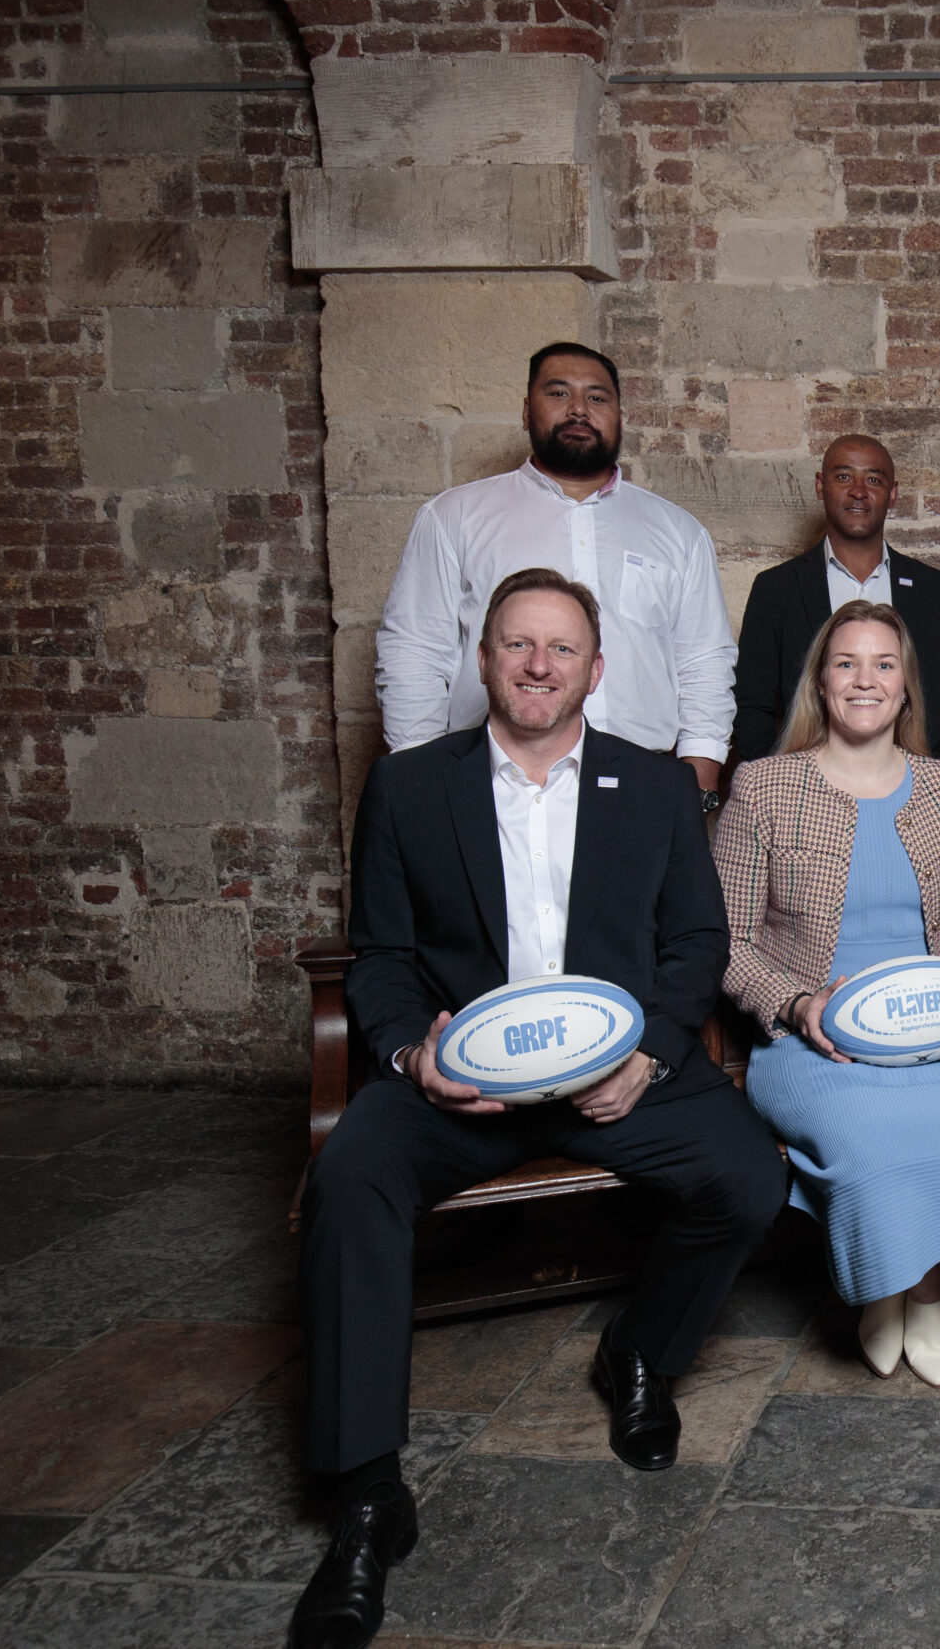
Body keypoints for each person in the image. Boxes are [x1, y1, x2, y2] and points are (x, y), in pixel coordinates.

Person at [294, 568, 786, 1649]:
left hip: (612, 1074)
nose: (537, 664)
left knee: (752, 1181)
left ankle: (642, 1354)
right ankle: (366, 1491)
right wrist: (409, 1056)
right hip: (461, 1083)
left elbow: (695, 945)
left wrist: (651, 1057)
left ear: (595, 671)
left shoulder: (655, 789)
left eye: (560, 648)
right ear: (484, 660)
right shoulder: (412, 786)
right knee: (348, 1174)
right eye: (517, 644)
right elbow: (380, 956)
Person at [715, 601, 940, 1386]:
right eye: (846, 663)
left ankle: (917, 1288)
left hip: (936, 1023)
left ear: (906, 687)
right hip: (811, 1034)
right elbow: (725, 942)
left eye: (883, 664)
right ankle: (899, 1287)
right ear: (821, 684)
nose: (865, 679)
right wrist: (796, 1005)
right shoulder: (763, 788)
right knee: (869, 1132)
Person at [375, 341, 740, 800]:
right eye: (559, 394)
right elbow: (413, 651)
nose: (579, 410)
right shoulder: (456, 517)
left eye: (597, 397)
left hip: (643, 780)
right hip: (493, 778)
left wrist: (701, 779)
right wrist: (422, 777)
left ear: (620, 414)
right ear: (527, 411)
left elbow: (704, 661)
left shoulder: (678, 532)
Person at [728, 434, 940, 768]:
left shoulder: (932, 589)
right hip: (809, 797)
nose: (858, 491)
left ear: (892, 494)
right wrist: (780, 784)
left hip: (913, 788)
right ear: (821, 486)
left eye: (874, 479)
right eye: (843, 476)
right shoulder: (776, 589)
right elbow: (751, 706)